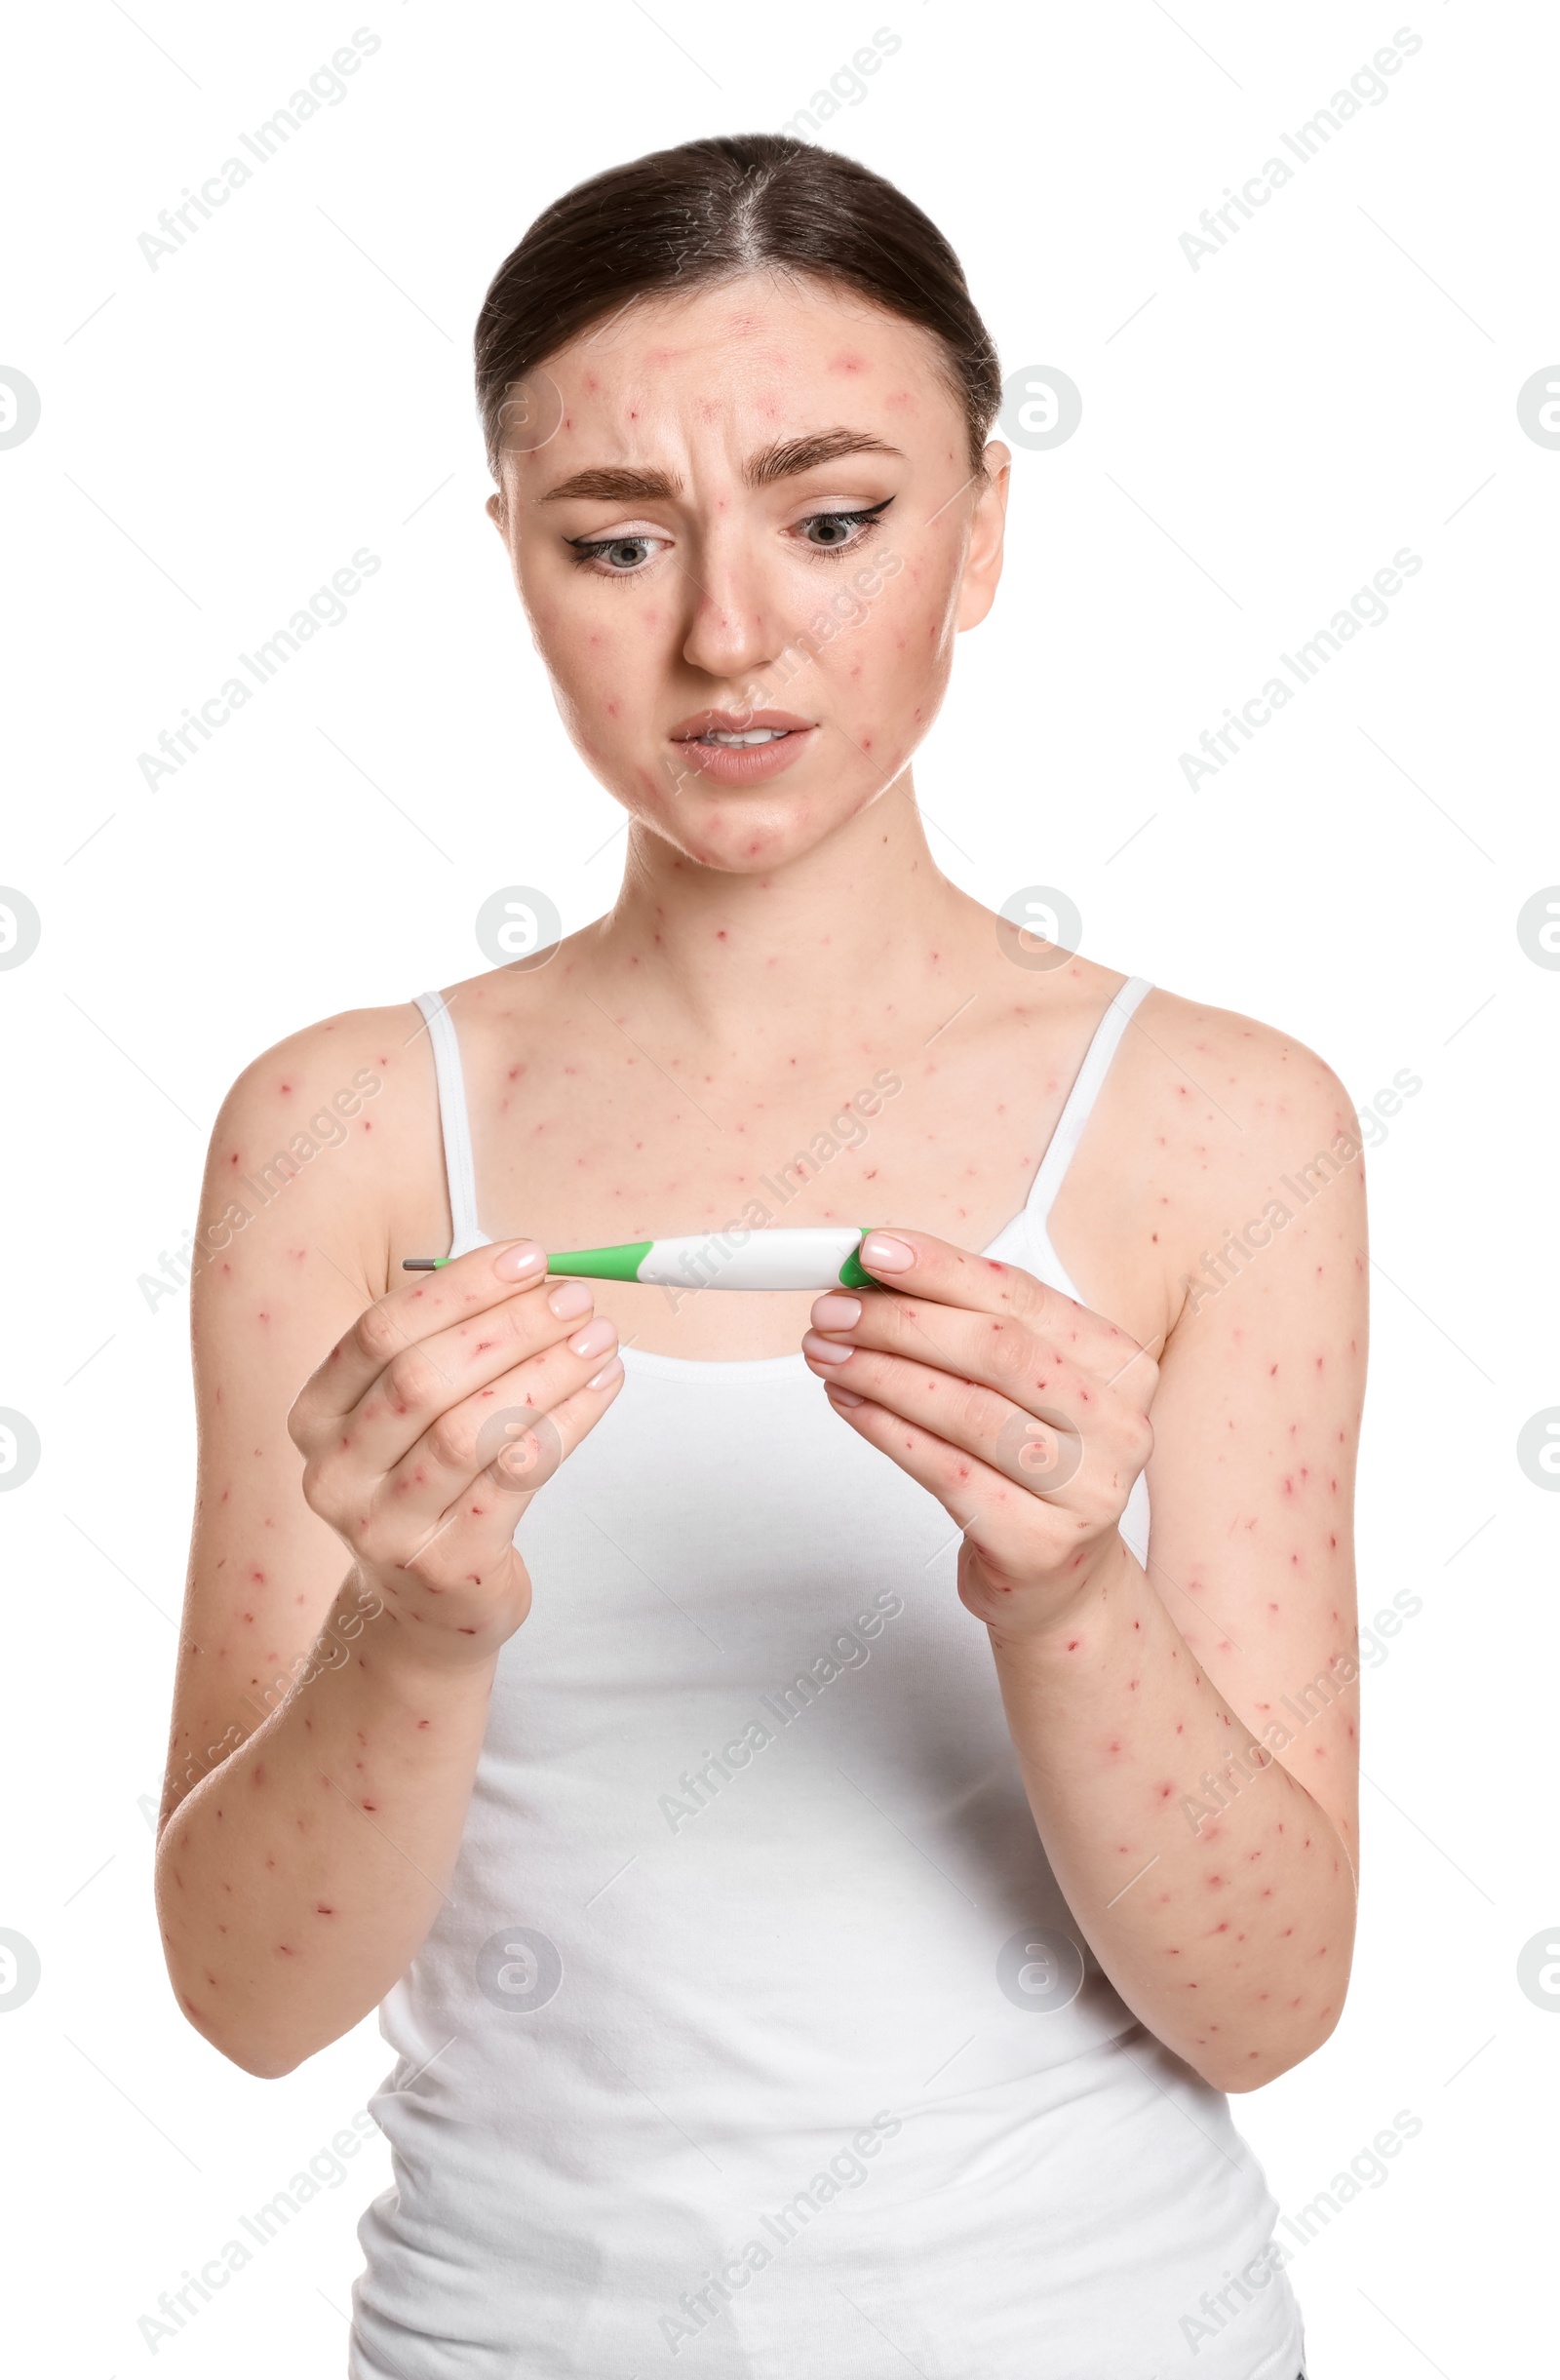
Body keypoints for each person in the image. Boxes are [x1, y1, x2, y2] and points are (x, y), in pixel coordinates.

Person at [157, 134, 1359, 2379]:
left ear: (982, 523)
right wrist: (416, 1630)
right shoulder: (333, 1134)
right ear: (511, 555)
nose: (726, 632)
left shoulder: (1218, 1127)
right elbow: (245, 1998)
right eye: (617, 541)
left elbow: (1270, 2002)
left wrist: (1068, 1595)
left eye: (834, 520)